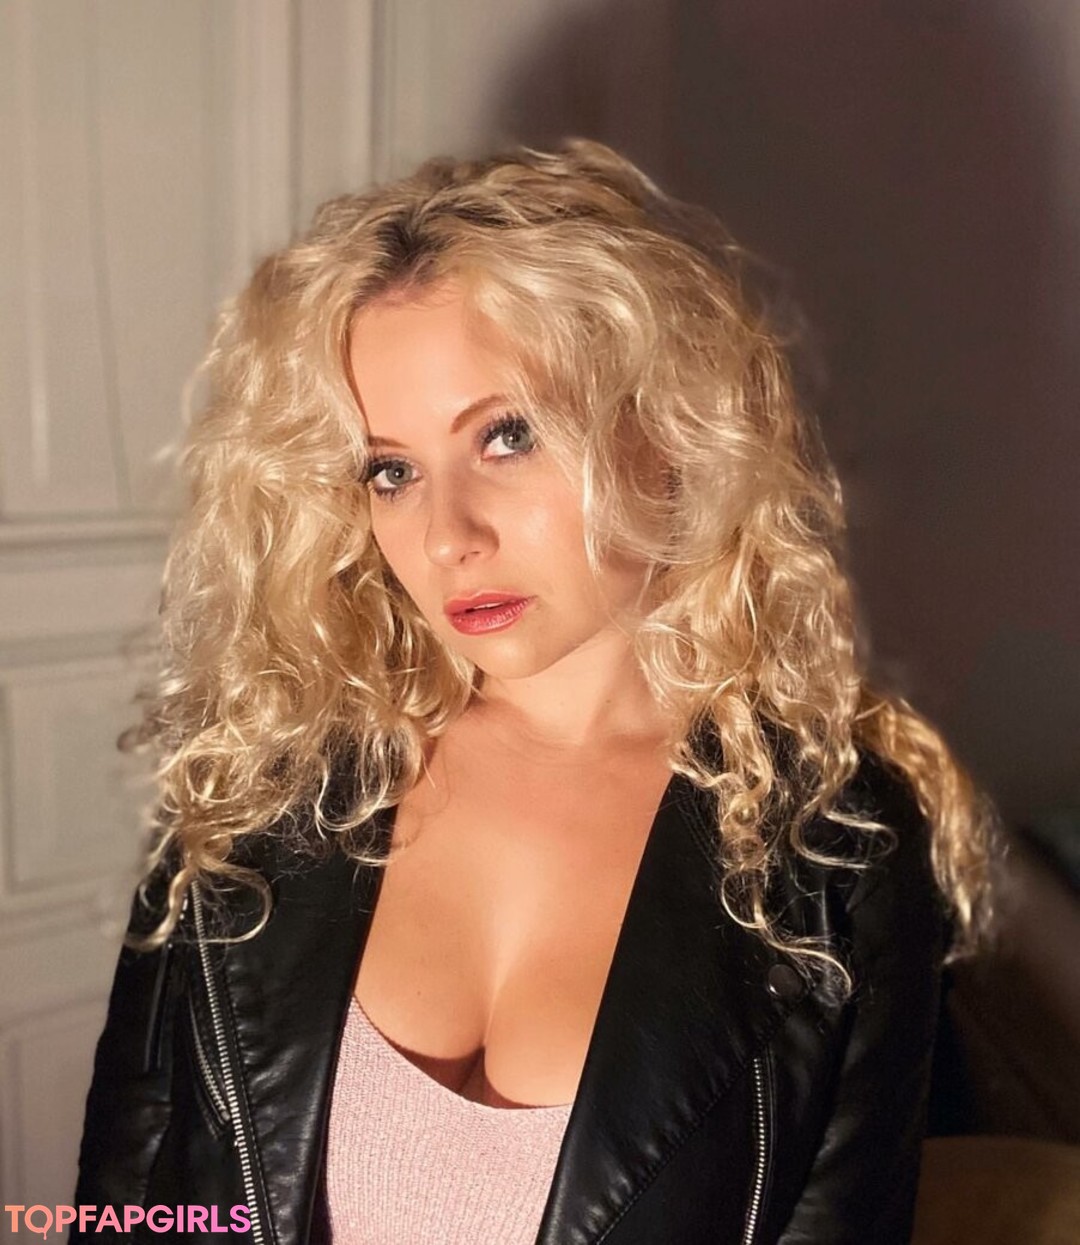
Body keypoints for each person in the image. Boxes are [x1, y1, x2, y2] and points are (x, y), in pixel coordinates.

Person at [73, 139, 993, 1245]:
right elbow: (130, 1200)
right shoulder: (265, 781)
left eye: (507, 436)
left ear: (667, 429)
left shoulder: (839, 856)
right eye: (391, 470)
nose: (446, 536)